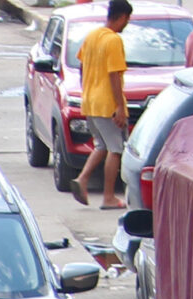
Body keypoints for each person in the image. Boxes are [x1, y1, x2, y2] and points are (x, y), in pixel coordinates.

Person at [74, 0, 132, 209]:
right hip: (107, 103)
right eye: (128, 20)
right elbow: (114, 75)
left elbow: (81, 66)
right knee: (115, 150)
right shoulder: (113, 40)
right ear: (122, 17)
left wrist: (86, 90)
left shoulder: (92, 36)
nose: (127, 23)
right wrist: (120, 107)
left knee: (101, 146)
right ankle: (108, 197)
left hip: (90, 101)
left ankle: (82, 179)